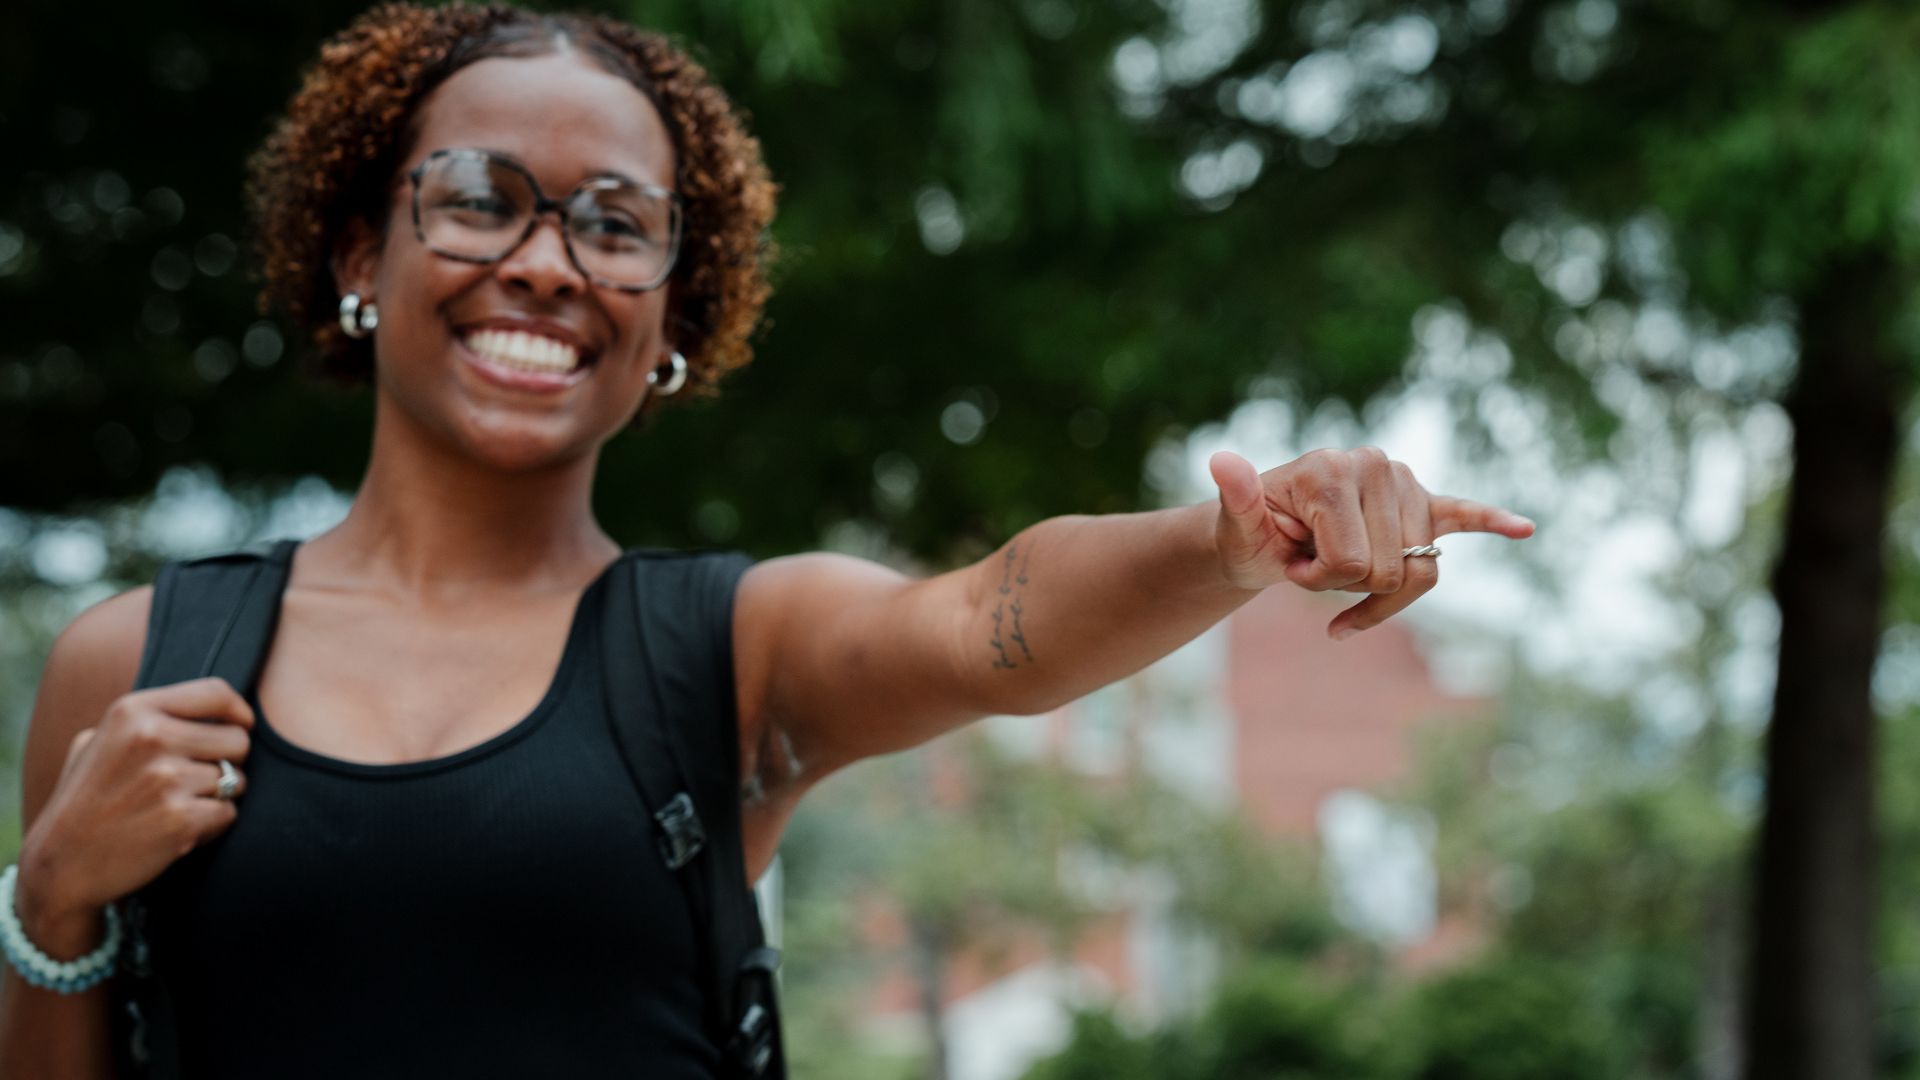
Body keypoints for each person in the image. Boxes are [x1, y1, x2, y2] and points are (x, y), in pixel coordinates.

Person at [0, 3, 1535, 1077]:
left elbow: (987, 620)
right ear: (360, 248)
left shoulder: (725, 655)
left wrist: (1230, 550)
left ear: (672, 308)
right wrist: (52, 900)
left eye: (614, 223)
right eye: (478, 200)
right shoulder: (135, 662)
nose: (544, 262)